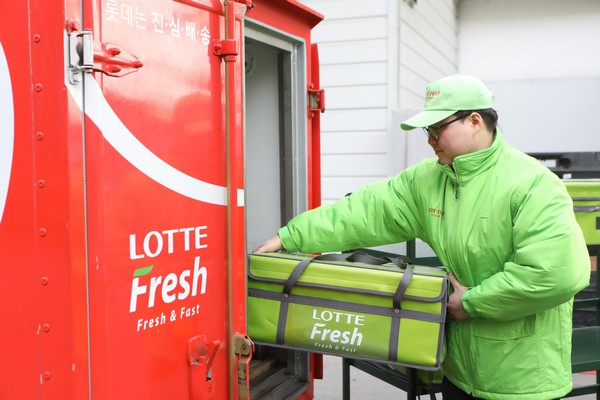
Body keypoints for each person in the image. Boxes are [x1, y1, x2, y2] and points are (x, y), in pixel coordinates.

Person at [253, 74, 591, 399]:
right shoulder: (428, 181)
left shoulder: (532, 184)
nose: (430, 139)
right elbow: (362, 211)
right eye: (427, 130)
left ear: (475, 121)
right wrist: (290, 237)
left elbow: (555, 272)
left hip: (522, 379)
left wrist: (471, 302)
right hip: (459, 371)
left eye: (437, 128)